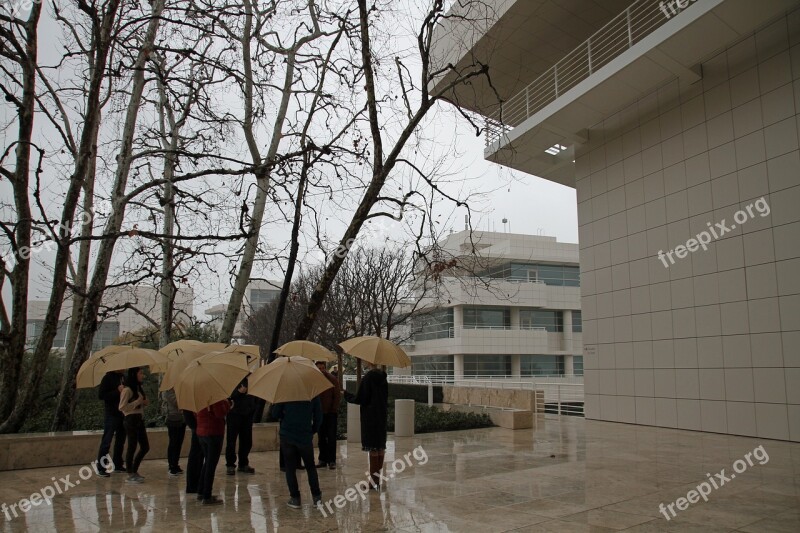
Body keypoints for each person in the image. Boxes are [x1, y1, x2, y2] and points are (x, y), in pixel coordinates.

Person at [271, 397, 323, 509]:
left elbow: (275, 414)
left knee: (290, 468)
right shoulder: (312, 394)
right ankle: (316, 497)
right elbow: (319, 416)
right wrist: (312, 430)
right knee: (310, 466)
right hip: (305, 435)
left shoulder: (285, 394)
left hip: (287, 435)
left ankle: (295, 498)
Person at [343, 361, 388, 489]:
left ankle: (373, 482)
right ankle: (377, 480)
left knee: (373, 448)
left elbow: (360, 398)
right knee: (380, 447)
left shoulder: (368, 378)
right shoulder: (383, 377)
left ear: (369, 361)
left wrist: (346, 395)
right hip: (381, 415)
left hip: (370, 416)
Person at [196, 398, 232, 505]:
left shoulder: (198, 397)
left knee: (207, 462)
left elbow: (195, 414)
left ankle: (201, 491)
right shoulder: (214, 396)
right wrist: (228, 404)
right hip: (213, 432)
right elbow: (219, 413)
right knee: (211, 465)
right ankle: (207, 495)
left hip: (201, 432)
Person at [119, 367, 150, 483]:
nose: (142, 375)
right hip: (130, 419)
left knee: (145, 446)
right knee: (132, 446)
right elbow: (122, 407)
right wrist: (137, 402)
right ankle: (130, 472)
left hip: (139, 419)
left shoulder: (138, 388)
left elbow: (144, 402)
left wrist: (144, 402)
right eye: (140, 373)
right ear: (134, 374)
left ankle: (134, 469)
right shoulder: (127, 390)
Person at [96, 369, 126, 477]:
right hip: (111, 414)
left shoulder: (123, 378)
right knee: (107, 441)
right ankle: (101, 467)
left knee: (120, 441)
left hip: (122, 413)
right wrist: (117, 391)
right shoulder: (107, 378)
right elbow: (101, 395)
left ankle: (118, 464)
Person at [225, 378, 255, 475]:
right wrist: (238, 392)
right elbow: (227, 396)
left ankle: (243, 463)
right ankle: (230, 464)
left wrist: (252, 407)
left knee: (247, 440)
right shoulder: (230, 378)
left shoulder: (250, 378)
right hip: (234, 414)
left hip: (247, 414)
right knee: (231, 441)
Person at [314, 361, 341, 469]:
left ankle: (332, 460)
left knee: (331, 437)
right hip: (319, 413)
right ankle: (322, 459)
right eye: (318, 368)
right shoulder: (314, 380)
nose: (320, 370)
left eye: (322, 368)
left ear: (325, 368)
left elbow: (337, 395)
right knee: (321, 438)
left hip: (330, 413)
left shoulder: (332, 379)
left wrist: (333, 408)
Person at [161, 388, 185, 476]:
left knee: (179, 442)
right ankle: (172, 465)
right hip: (173, 417)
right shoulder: (168, 389)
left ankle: (175, 463)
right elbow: (175, 401)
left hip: (181, 417)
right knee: (174, 442)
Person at [183, 410, 204, 495]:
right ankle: (193, 485)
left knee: (198, 455)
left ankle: (195, 484)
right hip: (197, 424)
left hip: (197, 424)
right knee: (196, 455)